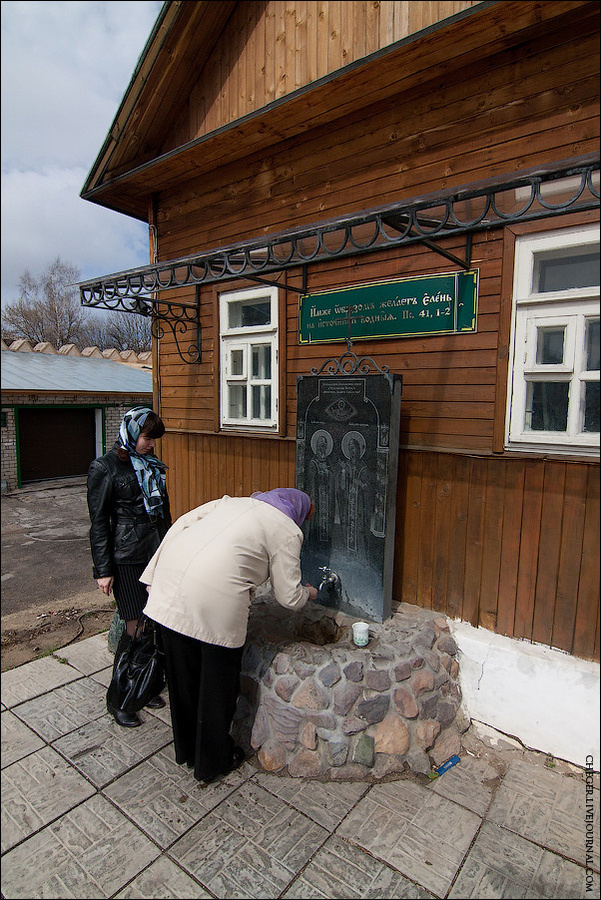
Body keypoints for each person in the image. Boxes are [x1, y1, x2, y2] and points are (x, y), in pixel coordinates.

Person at [140, 488, 319, 784]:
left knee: (182, 679)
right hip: (215, 601)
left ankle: (187, 751)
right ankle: (212, 761)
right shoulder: (287, 529)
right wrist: (308, 594)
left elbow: (180, 525)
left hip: (169, 588)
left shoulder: (230, 503)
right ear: (298, 513)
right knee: (216, 688)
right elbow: (288, 597)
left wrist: (151, 577)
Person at [87, 406, 172, 728]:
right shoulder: (104, 468)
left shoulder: (151, 466)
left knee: (154, 624)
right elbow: (98, 523)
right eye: (148, 438)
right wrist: (102, 569)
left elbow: (162, 513)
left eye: (154, 439)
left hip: (155, 554)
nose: (152, 444)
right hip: (126, 559)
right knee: (135, 627)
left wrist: (170, 548)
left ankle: (145, 683)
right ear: (133, 433)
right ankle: (120, 699)